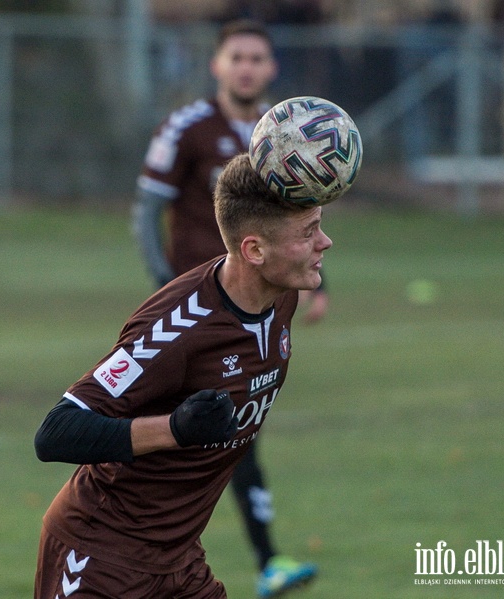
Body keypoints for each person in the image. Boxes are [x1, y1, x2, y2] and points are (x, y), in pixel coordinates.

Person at [34, 152, 333, 598]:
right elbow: (55, 432)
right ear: (254, 249)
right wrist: (174, 429)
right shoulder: (174, 328)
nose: (325, 242)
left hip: (180, 561)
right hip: (99, 557)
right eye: (307, 232)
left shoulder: (281, 297)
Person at [133, 19, 320, 597]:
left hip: (259, 304)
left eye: (256, 58)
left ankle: (244, 561)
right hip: (197, 305)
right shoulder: (188, 127)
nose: (246, 67)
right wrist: (166, 285)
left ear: (271, 69)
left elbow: (294, 223)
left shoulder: (282, 138)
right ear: (217, 64)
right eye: (236, 56)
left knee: (233, 430)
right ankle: (153, 553)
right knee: (207, 430)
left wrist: (320, 281)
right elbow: (146, 211)